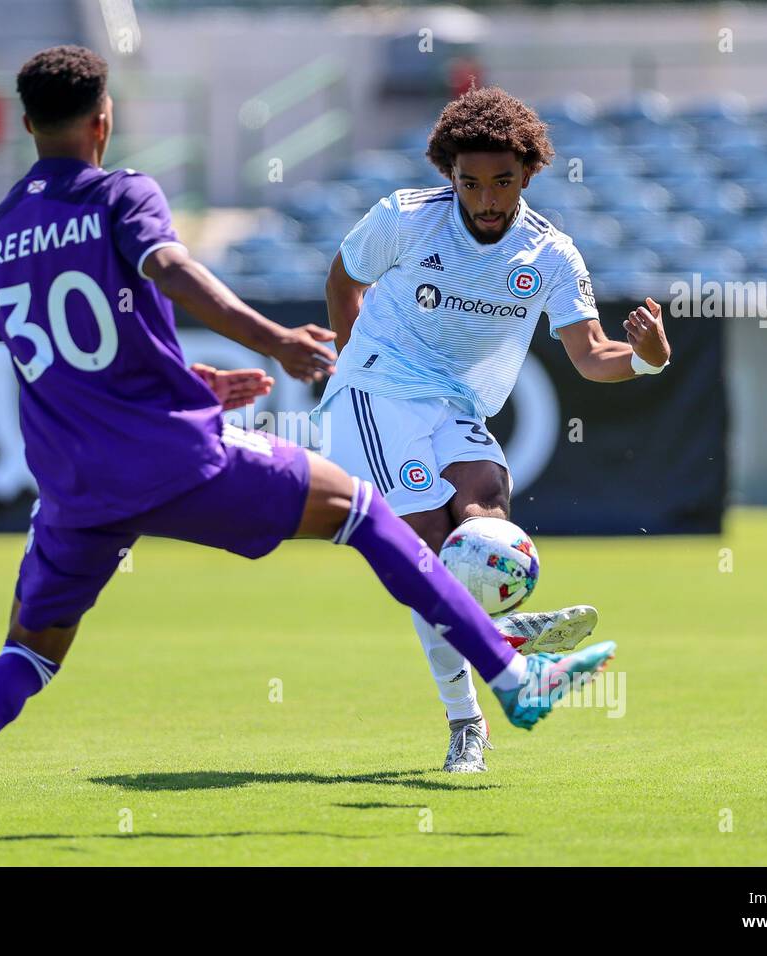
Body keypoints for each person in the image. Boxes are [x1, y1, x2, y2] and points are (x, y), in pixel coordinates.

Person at [0, 48, 615, 836]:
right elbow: (169, 268)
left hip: (70, 484)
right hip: (172, 455)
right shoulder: (123, 193)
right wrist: (274, 340)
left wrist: (188, 378)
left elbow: (67, 358)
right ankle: (509, 677)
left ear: (25, 124)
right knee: (365, 516)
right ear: (106, 118)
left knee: (31, 650)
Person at [317, 86, 670, 772]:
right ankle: (468, 723)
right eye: (470, 182)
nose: (485, 199)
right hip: (377, 393)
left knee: (484, 513)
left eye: (501, 182)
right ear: (449, 173)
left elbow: (592, 356)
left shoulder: (550, 255)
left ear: (528, 175)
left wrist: (648, 361)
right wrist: (348, 358)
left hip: (456, 407)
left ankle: (493, 631)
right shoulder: (405, 219)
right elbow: (343, 278)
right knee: (423, 554)